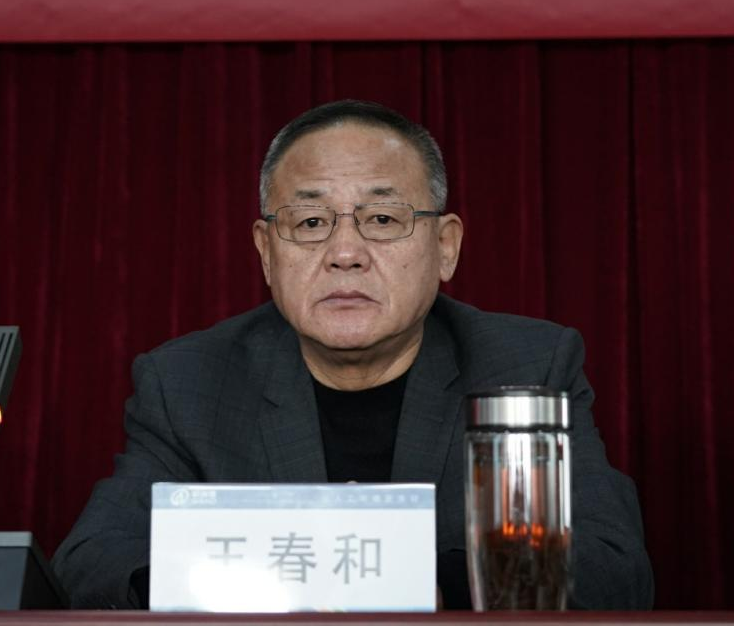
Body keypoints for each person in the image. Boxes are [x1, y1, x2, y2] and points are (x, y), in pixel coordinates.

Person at [51, 99, 654, 610]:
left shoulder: (525, 367)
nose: (345, 253)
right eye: (311, 221)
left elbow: (612, 567)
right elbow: (92, 564)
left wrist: (405, 581)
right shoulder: (188, 381)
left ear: (445, 246)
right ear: (266, 252)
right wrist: (244, 581)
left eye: (383, 218)